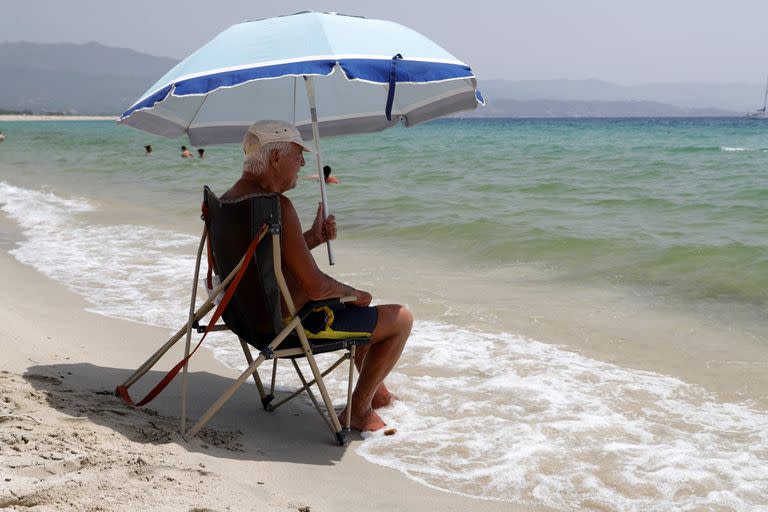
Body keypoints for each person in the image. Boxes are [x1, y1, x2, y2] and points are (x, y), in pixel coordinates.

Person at [221, 120, 412, 431]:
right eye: (298, 155)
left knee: (356, 310)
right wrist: (355, 292)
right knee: (400, 319)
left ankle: (377, 394)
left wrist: (311, 238)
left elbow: (257, 263)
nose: (303, 163)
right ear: (275, 159)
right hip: (287, 327)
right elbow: (315, 285)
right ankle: (359, 411)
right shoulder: (277, 206)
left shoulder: (227, 202)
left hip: (247, 320)